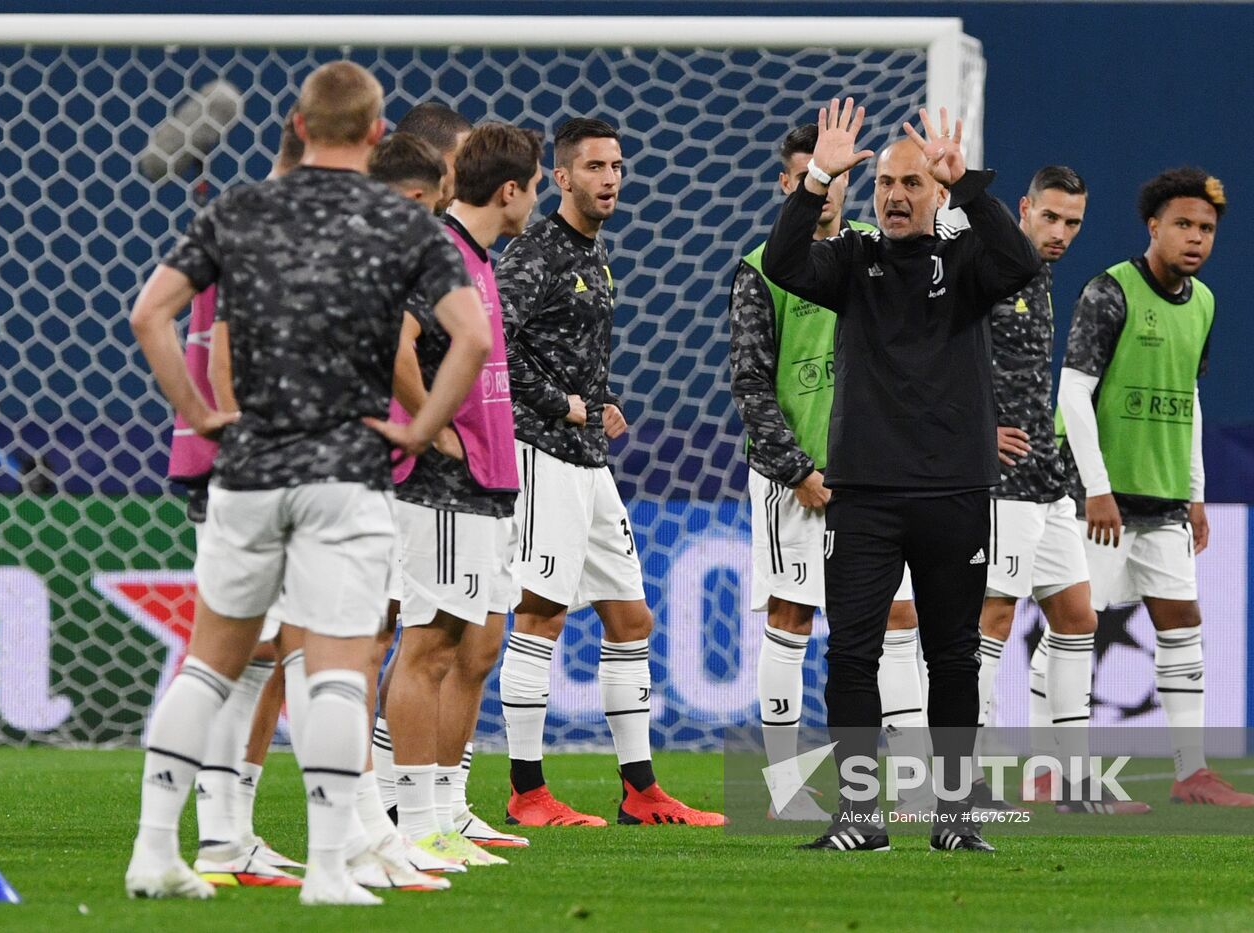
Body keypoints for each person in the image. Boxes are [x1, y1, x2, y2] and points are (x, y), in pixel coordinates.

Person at [124, 61, 488, 906]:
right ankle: (329, 869)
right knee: (332, 670)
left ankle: (155, 852)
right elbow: (466, 336)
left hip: (247, 472)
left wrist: (201, 410)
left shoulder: (239, 208)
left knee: (207, 667)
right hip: (345, 475)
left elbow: (150, 313)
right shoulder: (400, 222)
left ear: (296, 121)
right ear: (374, 134)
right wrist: (420, 430)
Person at [762, 98, 1041, 853]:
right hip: (865, 494)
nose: (893, 195)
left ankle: (953, 816)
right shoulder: (853, 261)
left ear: (937, 192)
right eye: (884, 182)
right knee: (850, 653)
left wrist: (971, 189)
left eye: (912, 182)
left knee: (951, 657)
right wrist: (819, 177)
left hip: (954, 491)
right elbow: (782, 262)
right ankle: (860, 816)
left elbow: (1022, 264)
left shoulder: (967, 262)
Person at [495, 117, 723, 827]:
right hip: (541, 455)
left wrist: (600, 402)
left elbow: (559, 347)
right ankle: (527, 790)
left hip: (588, 459)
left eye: (617, 165)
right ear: (560, 177)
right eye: (594, 166)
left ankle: (640, 790)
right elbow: (489, 339)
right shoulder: (537, 251)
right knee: (540, 614)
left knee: (631, 617)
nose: (610, 178)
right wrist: (559, 405)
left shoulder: (593, 256)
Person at [728, 122, 924, 822]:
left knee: (900, 619)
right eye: (816, 174)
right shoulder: (761, 267)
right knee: (794, 616)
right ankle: (785, 786)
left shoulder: (879, 253)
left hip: (877, 477)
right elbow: (751, 383)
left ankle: (913, 783)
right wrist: (797, 469)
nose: (830, 188)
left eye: (842, 174)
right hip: (798, 483)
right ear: (791, 185)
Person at [1057, 166, 1254, 807]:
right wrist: (1095, 487)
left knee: (1182, 622)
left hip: (1164, 499)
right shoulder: (1109, 291)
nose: (1196, 238)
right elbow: (1072, 393)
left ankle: (1191, 773)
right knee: (1073, 625)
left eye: (1206, 228)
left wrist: (1195, 491)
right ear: (1154, 226)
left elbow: (1189, 398)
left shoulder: (1204, 303)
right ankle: (1053, 769)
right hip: (1101, 501)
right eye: (1183, 225)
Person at [383, 122, 543, 867]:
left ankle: (445, 810)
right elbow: (395, 340)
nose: (536, 198)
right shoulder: (438, 250)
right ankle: (412, 822)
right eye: (537, 184)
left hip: (485, 478)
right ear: (511, 190)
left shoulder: (476, 256)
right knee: (427, 645)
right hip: (442, 484)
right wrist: (428, 423)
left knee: (473, 643)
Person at [974, 166, 1149, 814]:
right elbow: (940, 349)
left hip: (1044, 476)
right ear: (1023, 208)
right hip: (999, 480)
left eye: (1073, 222)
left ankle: (1073, 783)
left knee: (1077, 617)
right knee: (992, 617)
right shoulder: (991, 265)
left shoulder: (1040, 276)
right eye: (1050, 217)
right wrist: (976, 429)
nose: (1062, 233)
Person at [183, 110, 307, 888]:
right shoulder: (268, 229)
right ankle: (215, 840)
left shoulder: (234, 222)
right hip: (245, 464)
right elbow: (224, 349)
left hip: (232, 456)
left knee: (257, 652)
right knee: (229, 656)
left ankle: (233, 834)